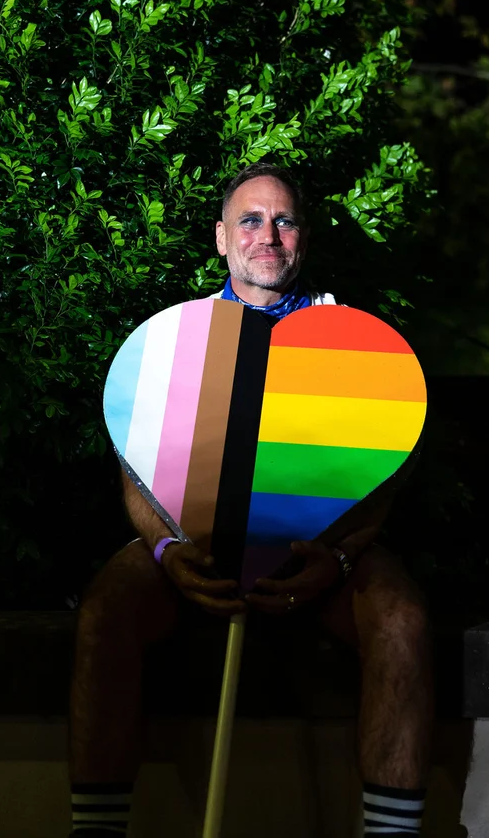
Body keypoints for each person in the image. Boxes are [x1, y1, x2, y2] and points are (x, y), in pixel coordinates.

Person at [68, 163, 433, 837]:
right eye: (251, 220)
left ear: (304, 237)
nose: (269, 235)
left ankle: (393, 832)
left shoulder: (355, 342)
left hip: (322, 557)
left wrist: (343, 558)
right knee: (104, 610)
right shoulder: (174, 341)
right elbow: (136, 473)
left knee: (403, 617)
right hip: (192, 550)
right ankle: (94, 831)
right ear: (220, 238)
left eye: (285, 220)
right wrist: (168, 549)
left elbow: (386, 477)